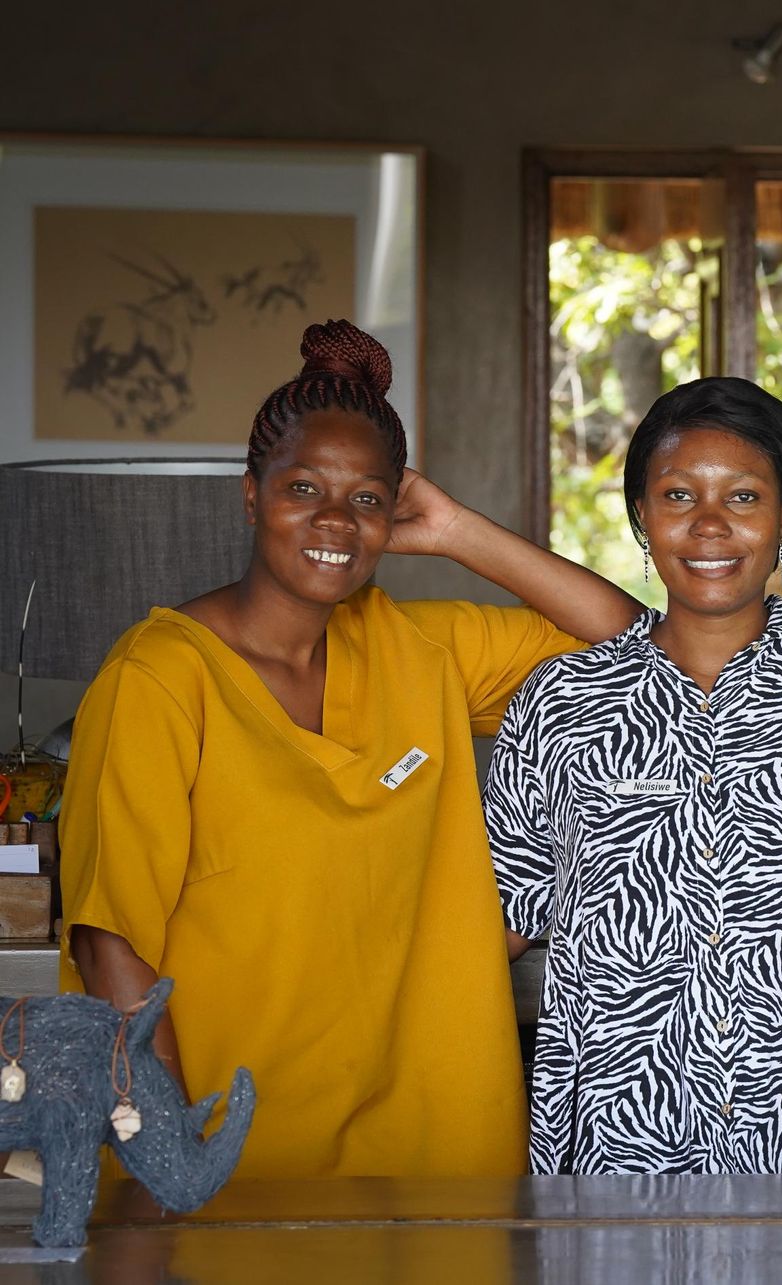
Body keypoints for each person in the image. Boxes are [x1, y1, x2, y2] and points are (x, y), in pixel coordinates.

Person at [59, 320, 642, 1179]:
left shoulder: (421, 648)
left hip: (438, 1143)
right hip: (230, 1155)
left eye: (367, 498)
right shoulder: (160, 676)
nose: (335, 519)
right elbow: (113, 944)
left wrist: (455, 532)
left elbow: (633, 649)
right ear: (252, 494)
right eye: (303, 488)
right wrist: (167, 1160)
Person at [485, 376, 782, 1174]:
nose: (710, 525)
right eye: (678, 494)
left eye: (744, 496)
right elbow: (505, 910)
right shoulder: (563, 703)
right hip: (621, 1133)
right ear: (641, 516)